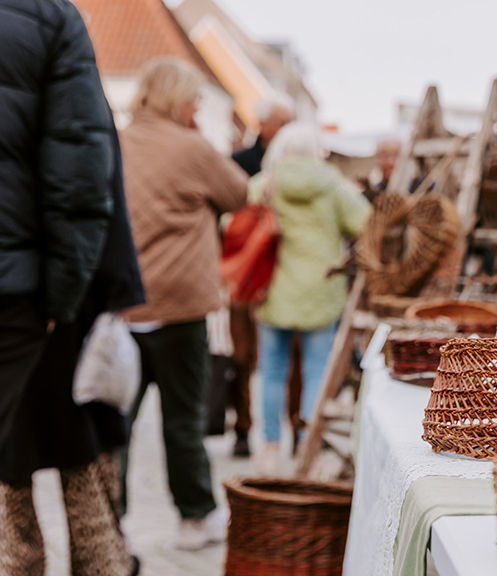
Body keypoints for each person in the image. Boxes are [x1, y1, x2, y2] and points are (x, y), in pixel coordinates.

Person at [0, 0, 144, 573]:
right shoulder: (53, 21)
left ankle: (26, 563)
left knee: (21, 455)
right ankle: (100, 563)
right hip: (51, 298)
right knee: (78, 453)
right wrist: (63, 298)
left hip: (48, 293)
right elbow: (85, 178)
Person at [120, 58, 249, 550]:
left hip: (124, 307)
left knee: (118, 423)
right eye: (195, 98)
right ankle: (194, 518)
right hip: (180, 305)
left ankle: (115, 523)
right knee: (183, 419)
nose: (198, 106)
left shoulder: (118, 142)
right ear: (180, 100)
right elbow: (237, 192)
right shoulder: (193, 148)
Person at [250, 123, 370, 475]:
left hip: (273, 287)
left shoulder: (265, 183)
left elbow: (233, 223)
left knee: (272, 371)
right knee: (316, 370)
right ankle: (308, 448)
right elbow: (367, 225)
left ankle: (270, 448)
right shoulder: (334, 186)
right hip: (322, 287)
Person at [228, 97, 296, 459]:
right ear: (264, 125)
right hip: (248, 273)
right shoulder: (240, 164)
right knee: (243, 355)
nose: (286, 129)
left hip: (281, 281)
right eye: (281, 122)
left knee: (282, 359)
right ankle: (242, 427)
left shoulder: (298, 168)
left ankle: (294, 428)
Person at [363, 136, 403, 202]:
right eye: (385, 155)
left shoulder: (420, 189)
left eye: (395, 155)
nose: (390, 162)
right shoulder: (370, 195)